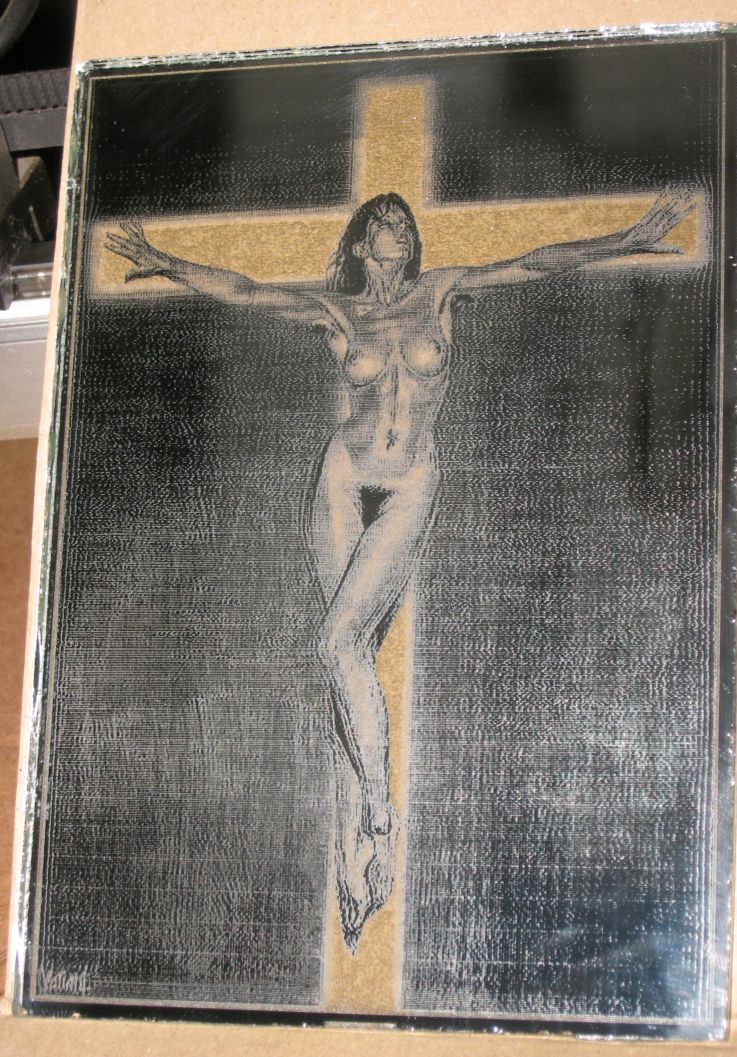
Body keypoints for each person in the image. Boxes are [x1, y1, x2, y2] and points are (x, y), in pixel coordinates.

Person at [107, 187, 694, 949]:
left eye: (405, 222)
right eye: (384, 222)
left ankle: (377, 815)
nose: (400, 229)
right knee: (343, 657)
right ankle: (358, 862)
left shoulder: (440, 291)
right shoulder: (334, 309)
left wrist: (626, 238)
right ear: (360, 244)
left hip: (411, 478)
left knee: (339, 646)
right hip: (343, 478)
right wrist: (163, 260)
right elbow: (246, 291)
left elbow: (531, 263)